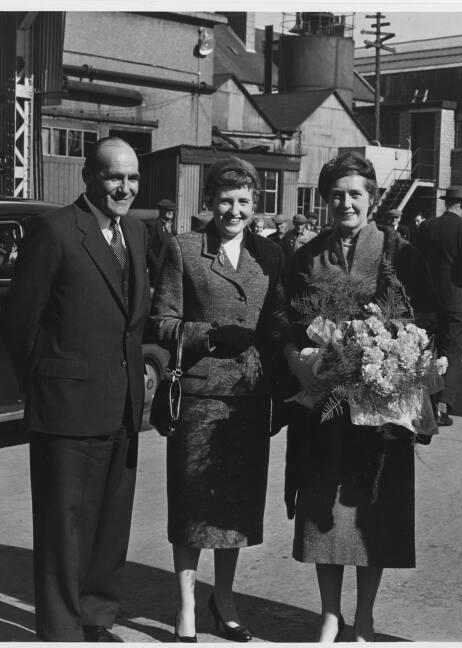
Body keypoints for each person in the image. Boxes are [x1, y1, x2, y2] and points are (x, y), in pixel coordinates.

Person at [283, 151, 437, 642]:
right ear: (326, 200)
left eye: (355, 194)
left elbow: (427, 317)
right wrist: (296, 359)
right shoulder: (307, 257)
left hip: (381, 408)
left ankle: (365, 615)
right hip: (325, 411)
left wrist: (400, 350)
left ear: (372, 200)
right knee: (323, 514)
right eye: (337, 194)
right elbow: (284, 320)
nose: (346, 203)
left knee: (373, 512)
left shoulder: (401, 255)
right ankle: (330, 614)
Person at [2, 137, 149, 642]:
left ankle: (96, 617)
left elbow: (135, 322)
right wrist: (44, 386)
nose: (124, 188)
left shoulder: (137, 233)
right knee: (62, 526)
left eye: (131, 178)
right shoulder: (56, 230)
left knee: (111, 523)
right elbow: (21, 321)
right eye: (114, 176)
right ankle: (61, 629)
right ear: (89, 176)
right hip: (64, 407)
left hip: (122, 405)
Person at [148, 156, 288, 643]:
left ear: (255, 205)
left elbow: (278, 326)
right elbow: (161, 321)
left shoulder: (270, 257)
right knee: (190, 505)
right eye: (225, 201)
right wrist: (208, 335)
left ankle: (223, 599)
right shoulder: (184, 249)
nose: (234, 210)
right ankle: (186, 606)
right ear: (209, 202)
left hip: (248, 399)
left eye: (244, 202)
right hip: (201, 395)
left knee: (235, 509)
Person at [418, 186, 462, 426]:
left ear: (447, 203)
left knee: (429, 352)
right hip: (457, 302)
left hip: (428, 302)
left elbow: (416, 261)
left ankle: (424, 402)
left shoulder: (426, 227)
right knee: (452, 353)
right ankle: (442, 408)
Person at [147, 198, 177, 288]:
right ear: (161, 210)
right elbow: (147, 248)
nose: (171, 212)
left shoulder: (172, 227)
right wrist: (156, 264)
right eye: (168, 209)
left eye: (172, 210)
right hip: (158, 269)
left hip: (170, 268)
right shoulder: (154, 225)